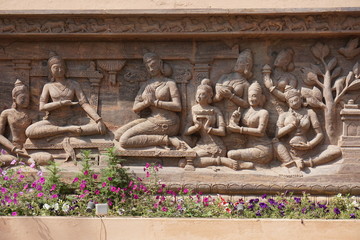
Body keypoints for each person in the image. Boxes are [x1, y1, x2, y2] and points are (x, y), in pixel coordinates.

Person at [25, 54, 106, 139]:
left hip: (72, 120)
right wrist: (61, 103)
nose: (59, 70)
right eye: (55, 68)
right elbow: (42, 107)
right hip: (53, 121)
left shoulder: (74, 84)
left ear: (65, 69)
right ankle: (67, 130)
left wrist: (98, 119)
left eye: (62, 67)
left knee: (100, 127)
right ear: (50, 70)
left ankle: (61, 132)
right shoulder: (48, 86)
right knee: (30, 131)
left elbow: (84, 104)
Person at [115, 52, 185, 149]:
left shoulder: (169, 83)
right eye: (148, 67)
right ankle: (157, 140)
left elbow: (177, 106)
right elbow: (135, 108)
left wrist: (155, 102)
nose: (151, 69)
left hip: (168, 122)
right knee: (118, 134)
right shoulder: (146, 85)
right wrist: (146, 103)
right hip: (152, 119)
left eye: (153, 65)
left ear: (160, 63)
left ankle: (168, 140)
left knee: (124, 141)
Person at [183, 79, 253, 170]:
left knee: (191, 160)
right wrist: (196, 127)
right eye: (198, 94)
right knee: (184, 161)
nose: (199, 96)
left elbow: (222, 131)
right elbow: (186, 131)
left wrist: (209, 128)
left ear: (209, 96)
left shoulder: (215, 110)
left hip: (215, 146)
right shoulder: (193, 109)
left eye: (202, 94)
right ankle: (217, 162)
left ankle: (224, 161)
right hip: (201, 144)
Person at [273, 86, 341, 169]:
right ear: (287, 103)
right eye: (291, 101)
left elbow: (320, 134)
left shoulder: (310, 112)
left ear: (301, 99)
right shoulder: (284, 115)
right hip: (289, 148)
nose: (294, 103)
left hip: (307, 148)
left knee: (335, 150)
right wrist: (291, 126)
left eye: (296, 100)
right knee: (275, 143)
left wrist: (309, 145)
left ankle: (306, 163)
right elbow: (277, 134)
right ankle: (290, 160)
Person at [0, 80, 51, 166]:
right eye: (22, 98)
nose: (26, 100)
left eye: (28, 98)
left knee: (48, 158)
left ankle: (23, 160)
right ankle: (23, 160)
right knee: (8, 159)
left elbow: (35, 134)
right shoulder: (7, 113)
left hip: (27, 149)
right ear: (14, 98)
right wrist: (13, 148)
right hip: (10, 148)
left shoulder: (32, 114)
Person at [213, 49, 253, 149]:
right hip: (220, 111)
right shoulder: (225, 77)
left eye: (240, 62)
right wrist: (219, 95)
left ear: (246, 66)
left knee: (233, 138)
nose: (237, 64)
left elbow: (246, 104)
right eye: (237, 61)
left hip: (235, 113)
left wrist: (231, 96)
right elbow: (215, 96)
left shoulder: (245, 84)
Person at [227, 81, 273, 165]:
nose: (251, 99)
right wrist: (235, 120)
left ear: (260, 97)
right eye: (249, 96)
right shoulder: (246, 112)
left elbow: (260, 132)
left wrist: (240, 129)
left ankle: (245, 166)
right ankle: (245, 165)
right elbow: (233, 127)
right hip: (248, 145)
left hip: (262, 148)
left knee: (231, 154)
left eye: (254, 96)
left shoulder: (263, 112)